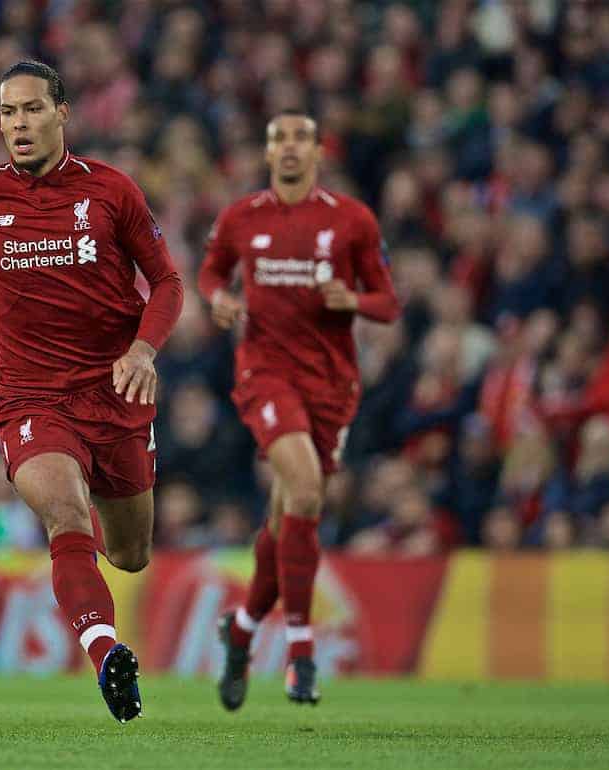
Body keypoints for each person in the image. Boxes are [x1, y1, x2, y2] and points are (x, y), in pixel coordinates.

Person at [0, 61, 184, 723]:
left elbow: (167, 283)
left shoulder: (111, 192)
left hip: (116, 394)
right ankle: (105, 653)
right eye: (7, 112)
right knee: (66, 516)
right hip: (32, 400)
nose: (18, 124)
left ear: (62, 113)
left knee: (130, 555)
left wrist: (143, 348)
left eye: (31, 110)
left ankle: (100, 608)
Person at [198, 110, 400, 708]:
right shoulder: (242, 217)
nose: (288, 148)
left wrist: (353, 299)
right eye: (278, 139)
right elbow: (210, 273)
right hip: (265, 376)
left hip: (331, 386)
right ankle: (301, 651)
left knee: (288, 515)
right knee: (306, 492)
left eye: (300, 139)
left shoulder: (351, 220)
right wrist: (220, 300)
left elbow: (389, 303)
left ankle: (239, 630)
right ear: (267, 153)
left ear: (317, 152)